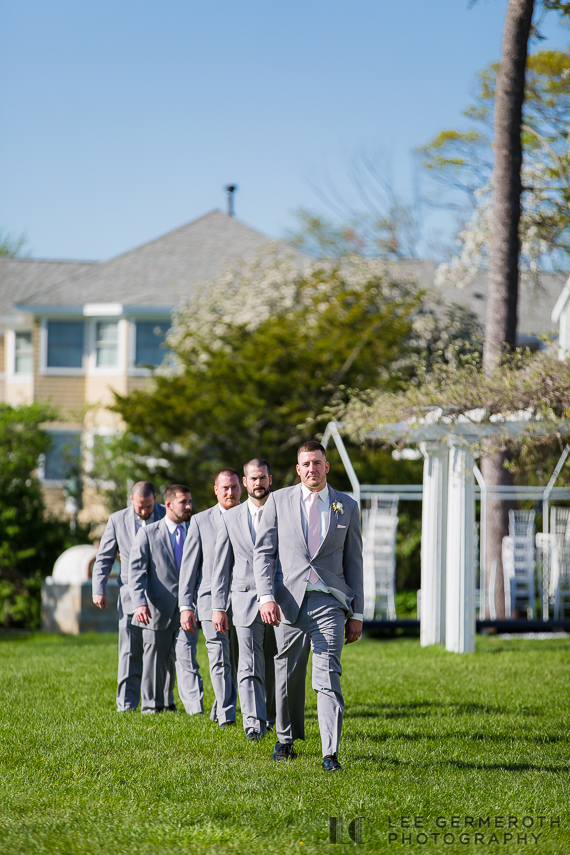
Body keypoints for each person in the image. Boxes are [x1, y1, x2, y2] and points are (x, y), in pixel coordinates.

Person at [253, 440, 364, 771]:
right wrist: (266, 596)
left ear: (326, 466)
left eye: (317, 463)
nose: (312, 469)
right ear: (298, 469)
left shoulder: (346, 505)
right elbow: (264, 553)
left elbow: (355, 561)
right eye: (306, 464)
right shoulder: (278, 502)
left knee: (328, 673)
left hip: (330, 601)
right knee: (286, 673)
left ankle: (330, 752)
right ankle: (285, 739)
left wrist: (356, 612)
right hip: (289, 602)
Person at [92, 481, 176, 712]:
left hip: (162, 597)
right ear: (131, 499)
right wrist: (98, 588)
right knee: (130, 651)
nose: (144, 511)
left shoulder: (167, 514)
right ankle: (127, 704)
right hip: (130, 596)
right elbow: (104, 557)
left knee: (163, 655)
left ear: (156, 500)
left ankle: (165, 701)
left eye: (148, 506)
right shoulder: (117, 520)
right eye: (140, 506)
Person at [211, 458, 277, 741]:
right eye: (253, 478)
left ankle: (274, 718)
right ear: (245, 483)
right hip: (243, 601)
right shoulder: (230, 518)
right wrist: (217, 606)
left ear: (269, 480)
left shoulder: (283, 512)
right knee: (248, 664)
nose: (258, 483)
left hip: (280, 601)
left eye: (263, 478)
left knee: (277, 665)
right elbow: (221, 566)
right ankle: (253, 725)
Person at [129, 485, 203, 714]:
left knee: (187, 657)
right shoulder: (148, 533)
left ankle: (194, 709)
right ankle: (153, 706)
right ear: (169, 505)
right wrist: (139, 603)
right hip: (155, 608)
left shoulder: (195, 531)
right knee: (155, 662)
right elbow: (136, 571)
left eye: (190, 501)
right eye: (184, 502)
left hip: (189, 609)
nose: (189, 506)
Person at [179, 469, 241, 726]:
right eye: (224, 487)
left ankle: (220, 707)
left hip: (244, 601)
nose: (230, 492)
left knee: (239, 662)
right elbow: (189, 566)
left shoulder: (253, 516)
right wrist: (185, 605)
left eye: (234, 487)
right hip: (208, 602)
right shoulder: (200, 521)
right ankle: (227, 716)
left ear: (242, 487)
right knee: (218, 659)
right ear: (215, 489)